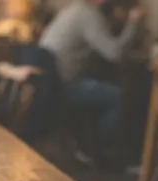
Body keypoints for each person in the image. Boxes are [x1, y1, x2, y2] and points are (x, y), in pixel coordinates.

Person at [39, 0, 145, 163]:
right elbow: (115, 53)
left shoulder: (73, 9)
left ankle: (84, 144)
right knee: (119, 97)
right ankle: (97, 150)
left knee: (102, 85)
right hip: (62, 85)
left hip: (48, 82)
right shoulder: (87, 14)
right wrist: (133, 23)